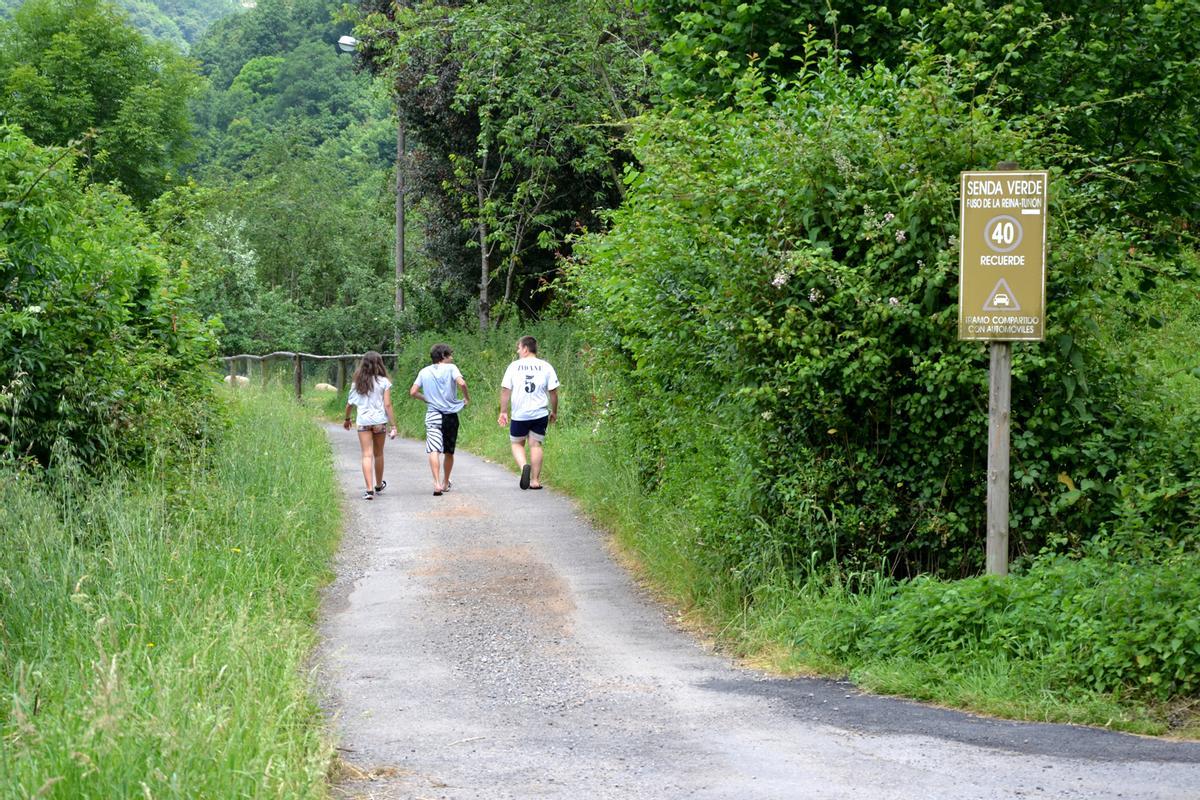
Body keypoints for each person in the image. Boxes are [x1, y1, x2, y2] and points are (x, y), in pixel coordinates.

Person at [497, 335, 559, 490]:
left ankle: (524, 466)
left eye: (519, 347)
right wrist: (554, 411)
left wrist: (503, 411)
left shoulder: (514, 366)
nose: (518, 351)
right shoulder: (546, 366)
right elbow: (553, 392)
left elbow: (505, 390)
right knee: (535, 444)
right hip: (540, 413)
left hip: (520, 414)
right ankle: (535, 481)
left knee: (517, 443)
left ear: (525, 348)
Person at [410, 343, 469, 496]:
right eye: (450, 355)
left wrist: (426, 398)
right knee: (449, 451)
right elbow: (462, 383)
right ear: (443, 356)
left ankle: (436, 483)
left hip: (433, 415)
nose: (452, 358)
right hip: (450, 415)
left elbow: (413, 391)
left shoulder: (424, 371)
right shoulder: (451, 368)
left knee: (434, 449)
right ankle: (445, 482)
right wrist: (466, 398)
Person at [343, 351, 397, 500]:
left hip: (363, 423)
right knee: (378, 453)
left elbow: (349, 405)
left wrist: (347, 419)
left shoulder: (357, 383)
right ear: (380, 364)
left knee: (366, 454)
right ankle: (378, 485)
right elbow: (387, 404)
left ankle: (369, 490)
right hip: (379, 422)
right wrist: (393, 426)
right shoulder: (384, 382)